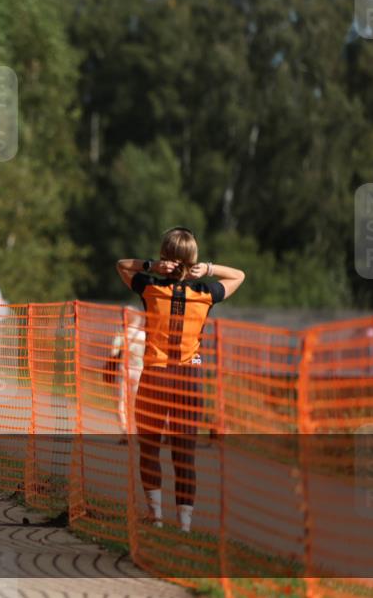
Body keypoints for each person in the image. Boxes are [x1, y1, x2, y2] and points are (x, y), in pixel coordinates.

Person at [116, 226, 245, 532]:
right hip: (189, 379)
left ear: (165, 258)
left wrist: (150, 266)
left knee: (149, 448)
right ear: (193, 260)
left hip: (155, 377)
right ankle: (185, 525)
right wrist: (210, 269)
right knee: (184, 453)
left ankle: (156, 516)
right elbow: (238, 275)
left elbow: (121, 264)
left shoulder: (150, 288)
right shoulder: (205, 294)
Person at [108, 306, 146, 442]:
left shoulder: (121, 334)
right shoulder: (144, 335)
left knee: (122, 404)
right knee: (139, 404)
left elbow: (113, 354)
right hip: (140, 373)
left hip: (124, 372)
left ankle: (126, 431)